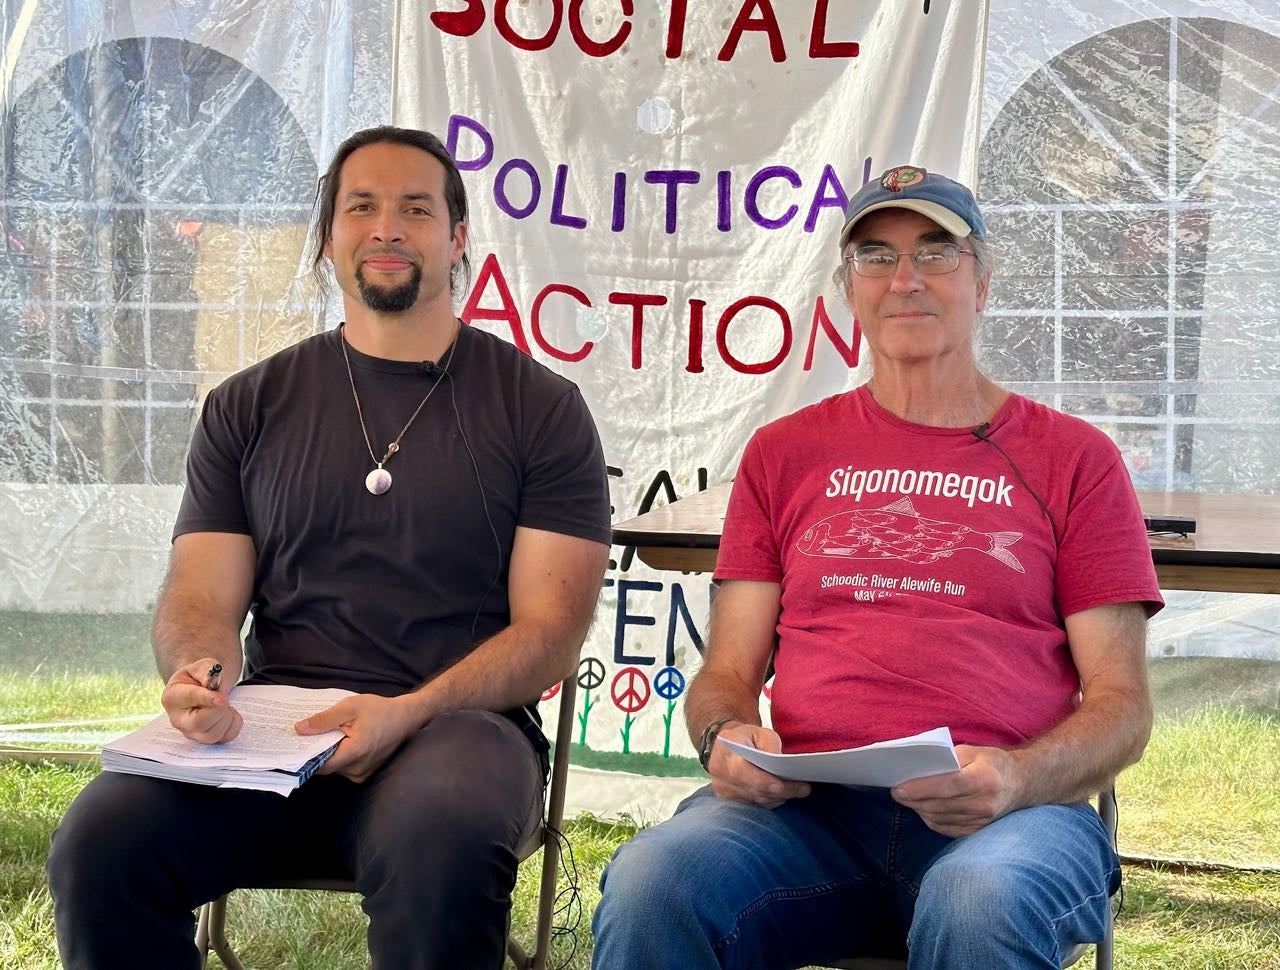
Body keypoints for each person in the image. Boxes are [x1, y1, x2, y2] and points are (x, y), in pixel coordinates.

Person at [47, 126, 611, 970]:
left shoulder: (540, 408)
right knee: (99, 843)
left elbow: (550, 634)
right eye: (362, 207)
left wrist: (407, 712)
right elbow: (201, 593)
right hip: (272, 732)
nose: (387, 228)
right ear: (327, 237)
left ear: (458, 237)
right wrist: (200, 674)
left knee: (442, 838)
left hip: (457, 728)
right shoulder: (248, 405)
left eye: (415, 209)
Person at [592, 166, 1162, 970]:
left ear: (983, 282)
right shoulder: (782, 454)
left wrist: (1017, 776)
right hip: (805, 818)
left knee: (980, 902)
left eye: (935, 252)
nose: (905, 279)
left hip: (1011, 817)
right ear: (847, 291)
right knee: (655, 883)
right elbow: (726, 674)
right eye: (876, 256)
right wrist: (723, 738)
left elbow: (1122, 706)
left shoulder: (1076, 459)